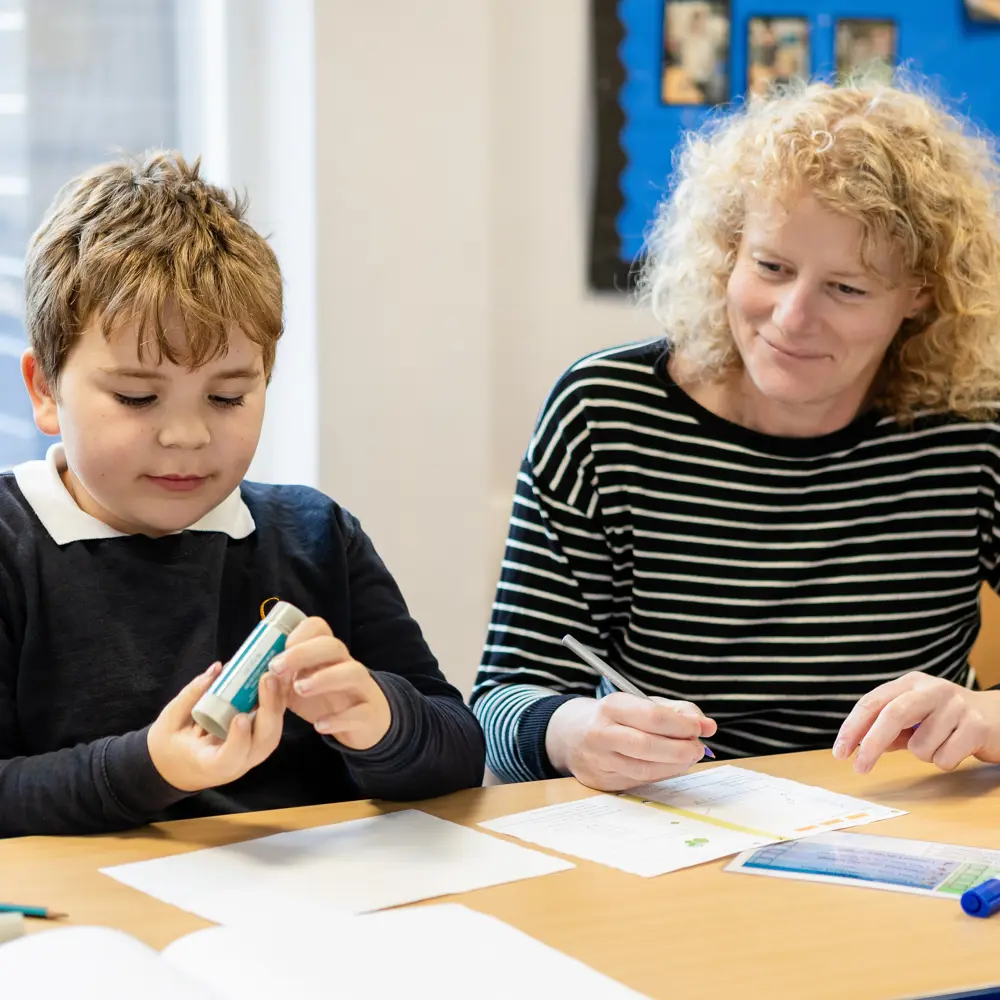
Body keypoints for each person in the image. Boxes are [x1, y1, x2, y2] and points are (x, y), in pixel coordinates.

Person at [472, 78, 1000, 791]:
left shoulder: (972, 428)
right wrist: (569, 733)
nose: (790, 317)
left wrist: (990, 716)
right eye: (771, 267)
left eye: (846, 288)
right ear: (728, 249)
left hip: (912, 827)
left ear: (920, 295)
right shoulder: (606, 414)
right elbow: (501, 702)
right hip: (676, 831)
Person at [0, 152, 485, 837]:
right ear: (45, 389)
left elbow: (458, 752)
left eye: (228, 396)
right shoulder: (12, 550)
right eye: (138, 397)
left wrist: (379, 720)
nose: (187, 434)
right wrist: (149, 768)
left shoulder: (315, 535)